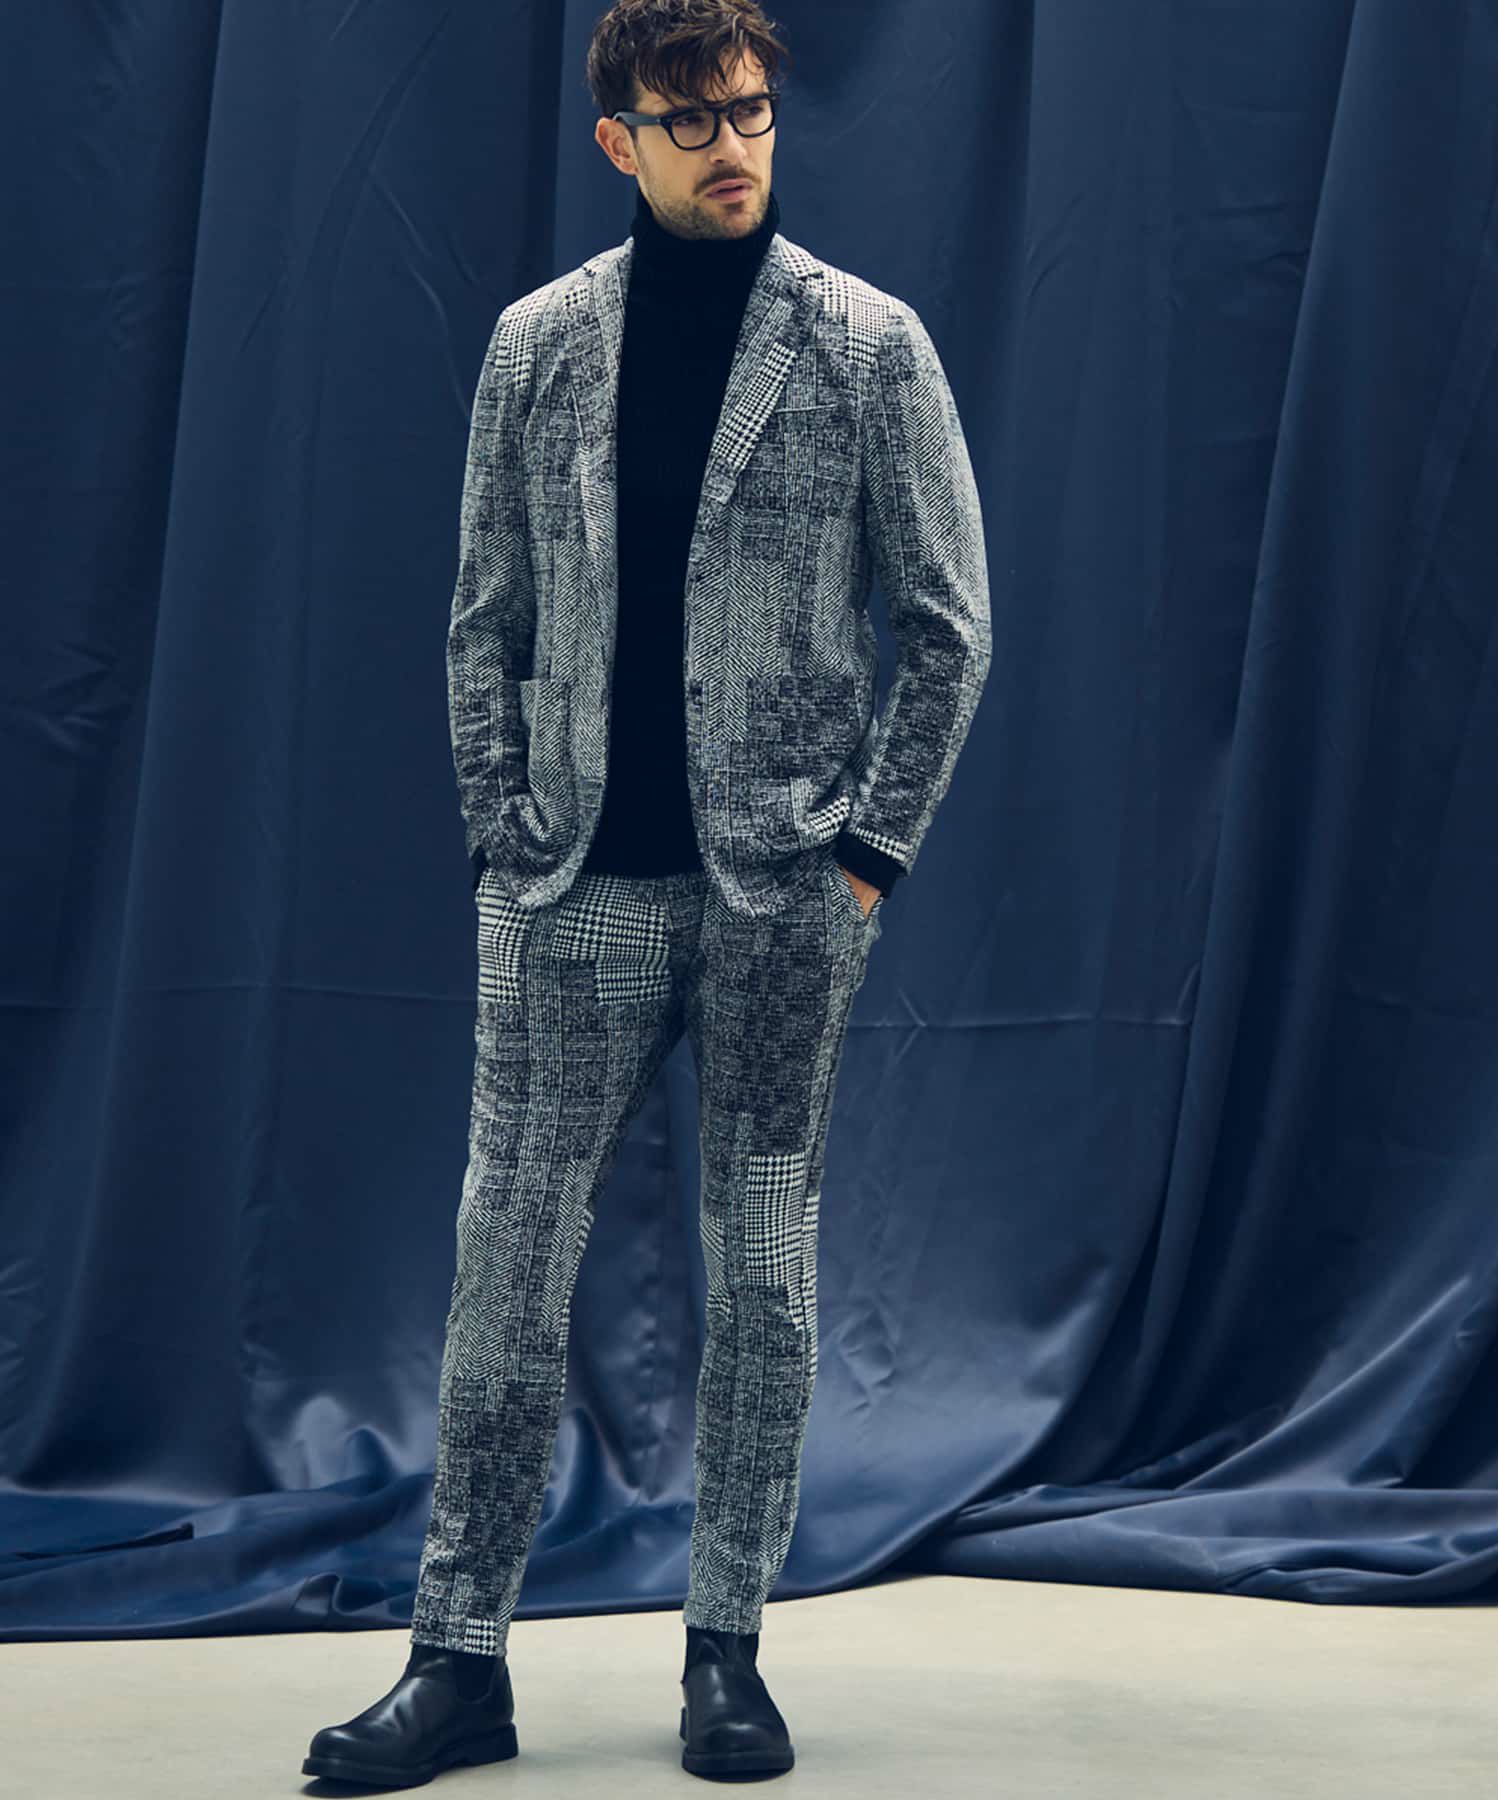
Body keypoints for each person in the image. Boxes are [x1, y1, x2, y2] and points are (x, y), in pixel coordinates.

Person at [302, 0, 989, 1785]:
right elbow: (483, 615)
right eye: (692, 123)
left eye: (750, 111)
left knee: (762, 1279)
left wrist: (865, 863)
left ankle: (727, 1653)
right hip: (571, 892)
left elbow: (949, 627)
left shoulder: (868, 347)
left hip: (783, 897)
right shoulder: (540, 346)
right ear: (620, 140)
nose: (733, 145)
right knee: (505, 1272)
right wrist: (502, 843)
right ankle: (458, 1661)